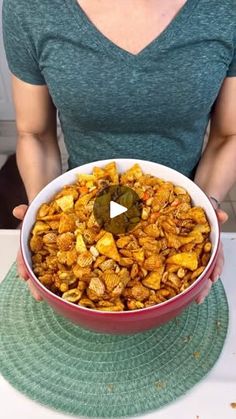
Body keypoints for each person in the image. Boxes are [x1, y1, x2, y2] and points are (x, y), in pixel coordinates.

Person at [2, 0, 236, 303]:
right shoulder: (31, 7)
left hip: (184, 207)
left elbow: (228, 135)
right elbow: (34, 132)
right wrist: (41, 210)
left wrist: (206, 209)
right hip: (84, 209)